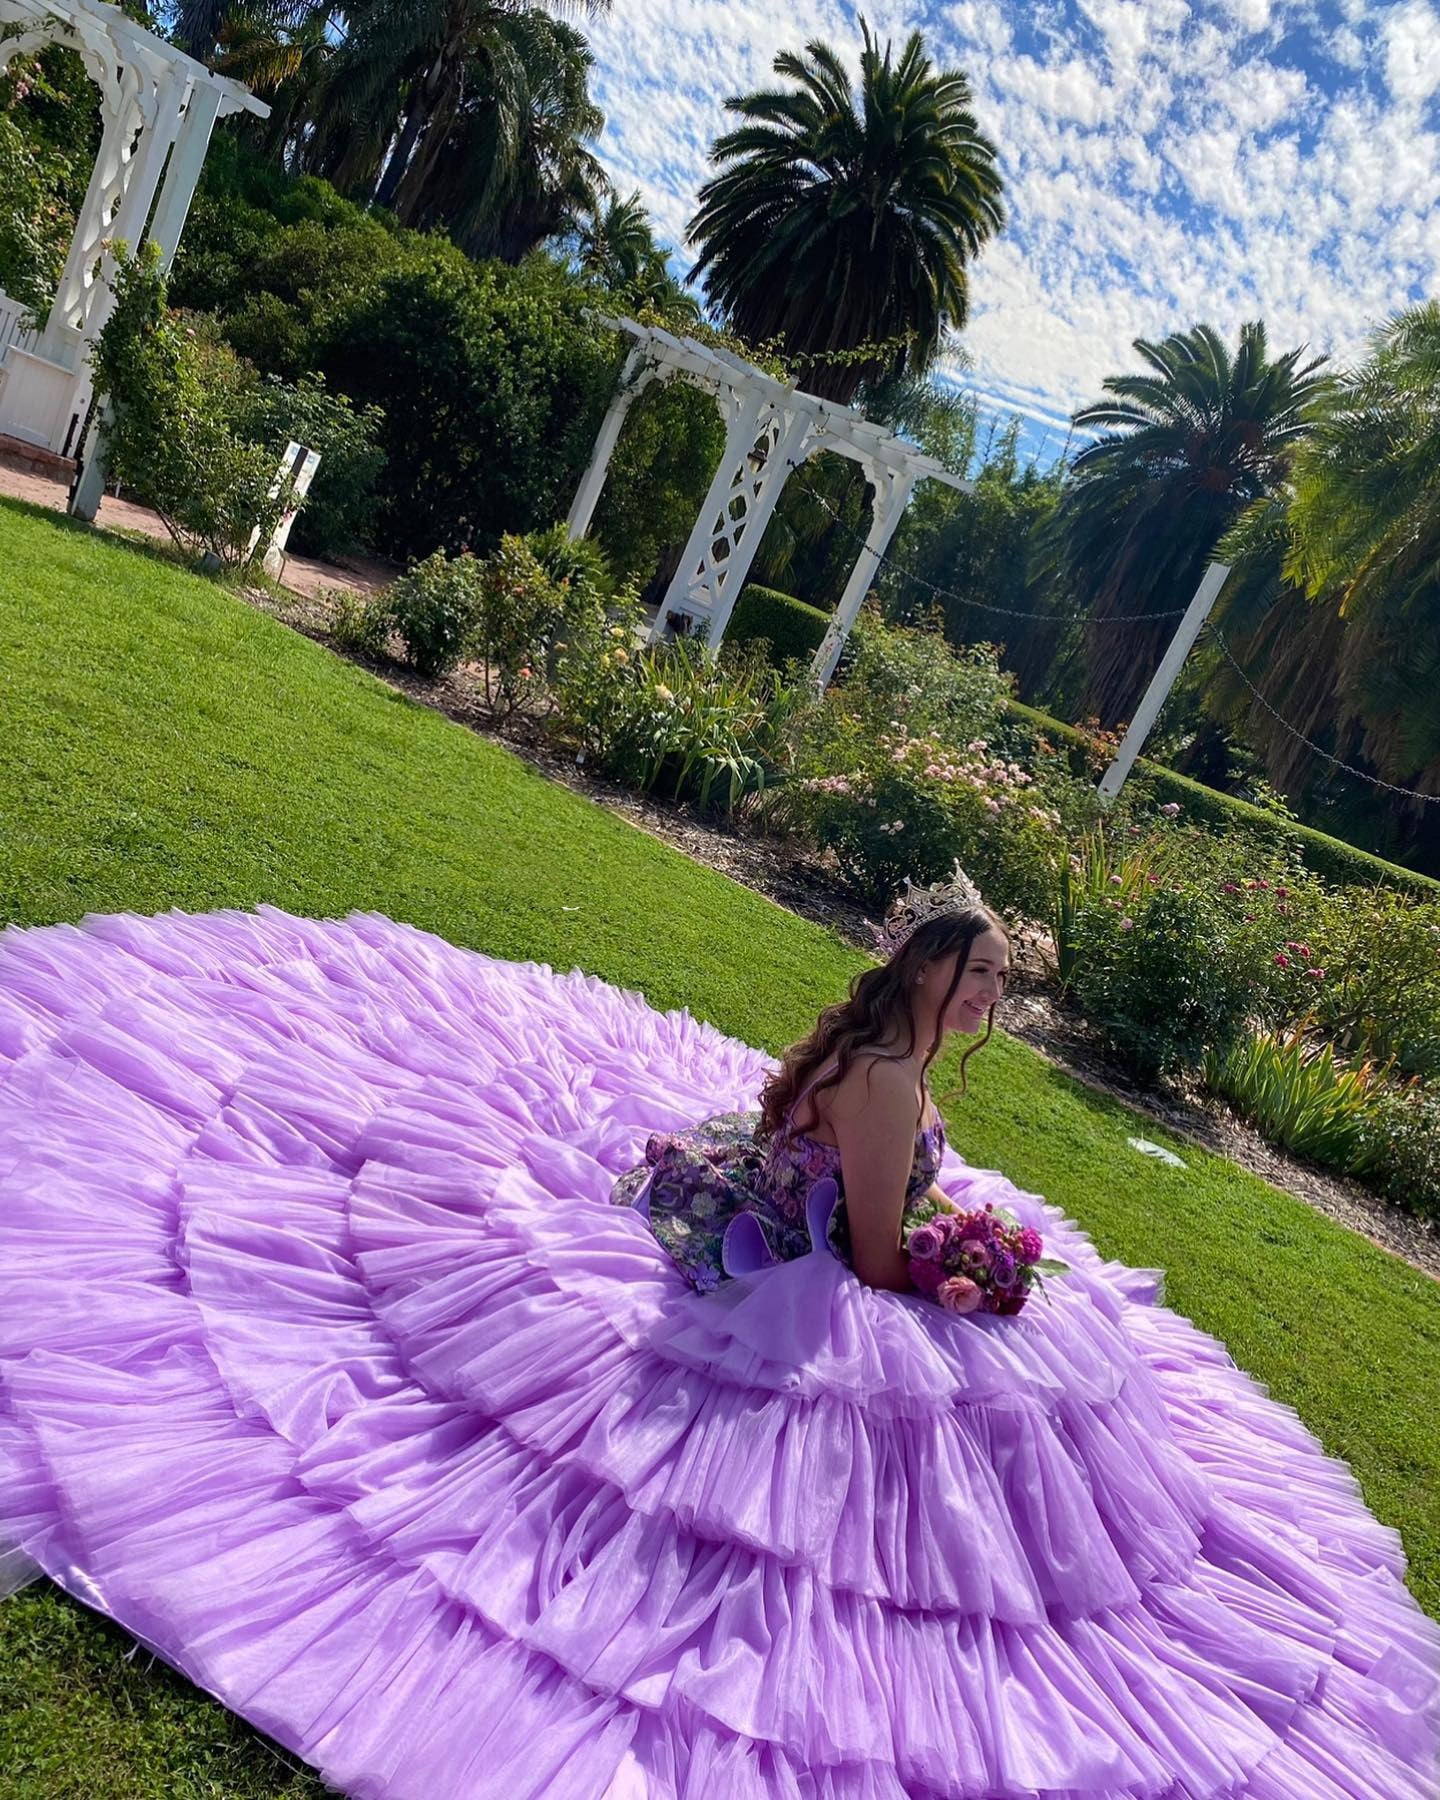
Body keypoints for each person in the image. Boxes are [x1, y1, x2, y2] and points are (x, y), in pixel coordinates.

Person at [0, 888, 1437, 1800]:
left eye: (1002, 981)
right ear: (926, 972)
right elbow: (873, 1259)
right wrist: (965, 1272)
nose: (992, 1000)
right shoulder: (890, 1083)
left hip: (773, 1205)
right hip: (802, 1261)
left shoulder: (874, 1049)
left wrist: (955, 1232)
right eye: (978, 976)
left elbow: (866, 1190)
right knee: (983, 1416)